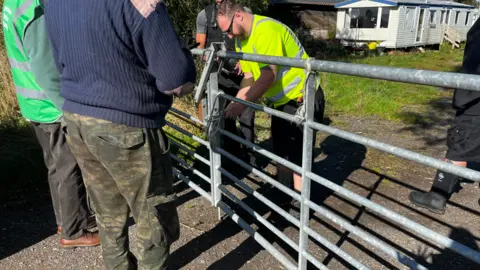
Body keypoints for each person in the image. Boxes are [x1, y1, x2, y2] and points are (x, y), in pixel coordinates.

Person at [44, 0, 196, 269]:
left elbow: (58, 59)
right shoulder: (140, 3)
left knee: (108, 214)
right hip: (127, 125)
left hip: (78, 119)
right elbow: (175, 78)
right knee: (154, 219)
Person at [2, 0, 99, 248]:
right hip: (49, 105)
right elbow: (46, 68)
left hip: (33, 102)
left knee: (56, 166)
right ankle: (74, 231)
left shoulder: (13, 5)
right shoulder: (33, 11)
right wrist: (66, 108)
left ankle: (65, 220)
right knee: (69, 168)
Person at [216, 1, 325, 209]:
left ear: (238, 16)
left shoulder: (266, 30)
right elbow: (249, 77)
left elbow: (268, 76)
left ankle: (301, 206)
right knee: (281, 150)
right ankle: (284, 193)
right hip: (281, 102)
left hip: (301, 97)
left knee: (298, 155)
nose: (229, 36)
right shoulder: (242, 41)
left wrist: (243, 104)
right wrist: (235, 103)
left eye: (228, 30)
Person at [409, 18, 480, 215]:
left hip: (475, 99)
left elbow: (475, 62)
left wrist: (464, 95)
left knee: (459, 145)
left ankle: (437, 196)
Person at [196, 0, 255, 165]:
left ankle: (250, 160)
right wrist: (208, 56)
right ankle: (231, 158)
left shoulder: (243, 11)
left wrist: (244, 60)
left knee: (246, 117)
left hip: (243, 75)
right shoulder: (204, 15)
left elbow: (251, 40)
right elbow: (200, 46)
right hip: (219, 76)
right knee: (225, 117)